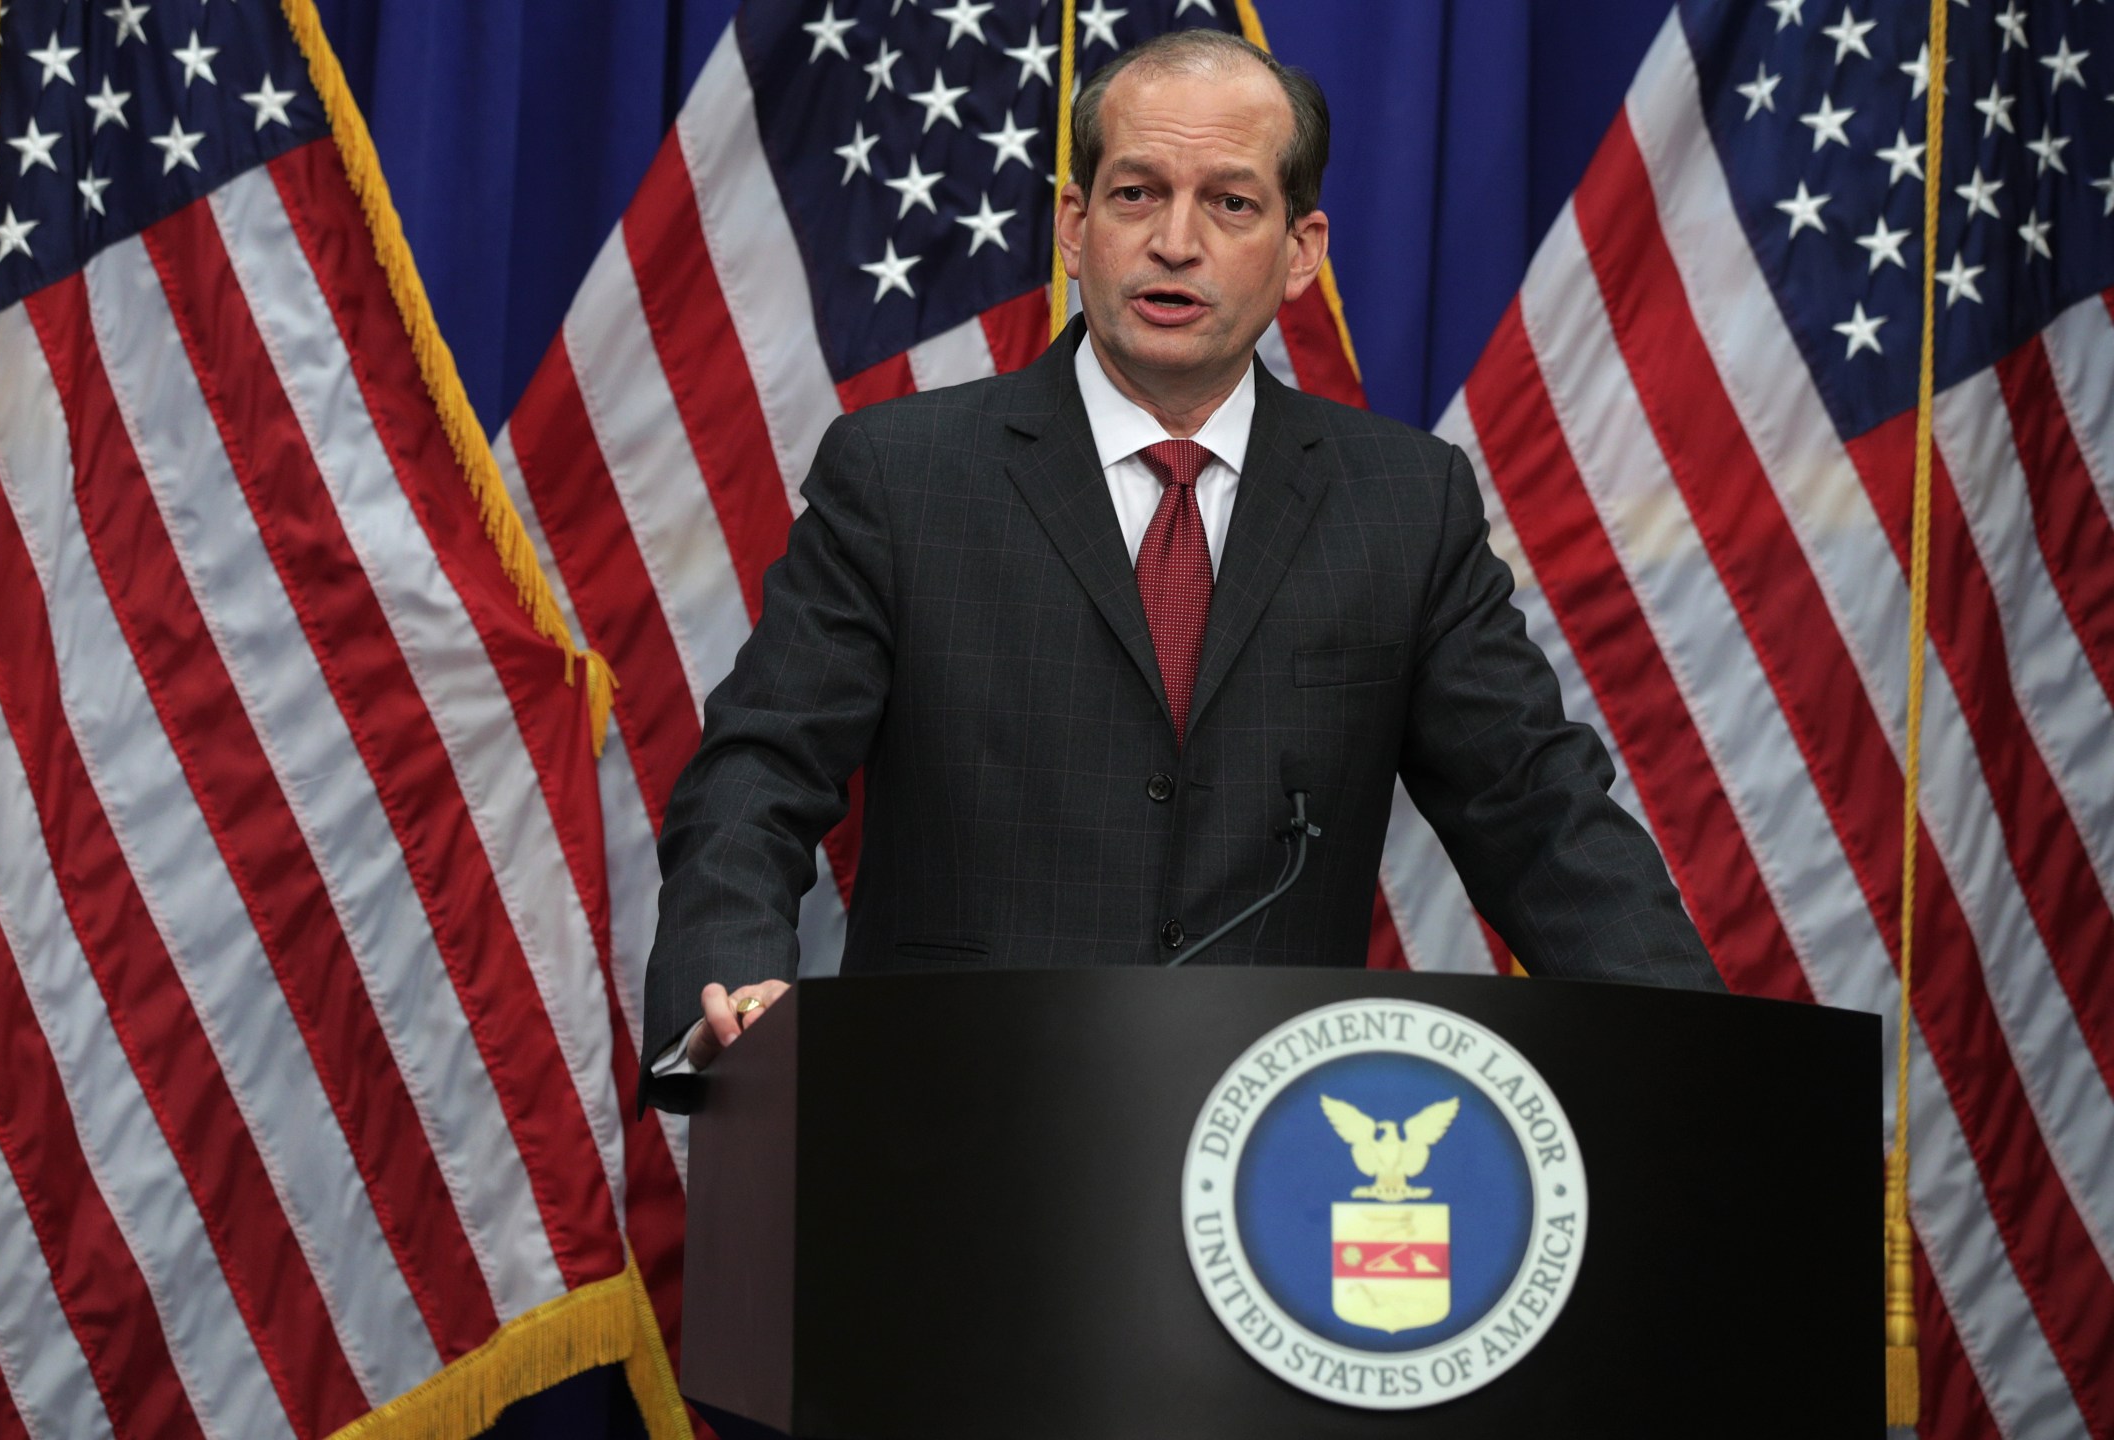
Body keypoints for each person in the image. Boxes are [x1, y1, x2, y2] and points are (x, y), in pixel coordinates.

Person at [638, 29, 1722, 1110]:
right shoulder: (904, 476)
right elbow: (759, 770)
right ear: (1074, 226)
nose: (1174, 241)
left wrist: (1704, 1055)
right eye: (1135, 195)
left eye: (1231, 204)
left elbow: (1538, 813)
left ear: (1302, 251)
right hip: (954, 1123)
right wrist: (726, 982)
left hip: (1275, 1153)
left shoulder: (1401, 505)